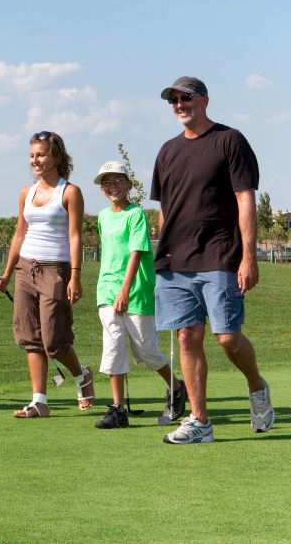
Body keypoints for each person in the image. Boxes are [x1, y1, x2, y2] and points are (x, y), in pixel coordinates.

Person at [152, 76, 274, 444]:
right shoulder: (167, 151)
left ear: (204, 100)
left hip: (220, 254)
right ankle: (200, 422)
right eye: (173, 100)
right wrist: (163, 249)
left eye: (186, 97)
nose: (179, 105)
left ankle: (256, 385)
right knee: (187, 337)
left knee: (227, 337)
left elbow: (244, 199)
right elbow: (165, 208)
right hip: (175, 261)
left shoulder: (229, 140)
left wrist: (248, 256)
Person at [0, 131, 95, 418]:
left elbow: (75, 236)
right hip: (25, 269)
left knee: (54, 340)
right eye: (32, 155)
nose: (35, 161)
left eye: (41, 155)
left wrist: (75, 275)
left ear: (56, 157)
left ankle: (81, 375)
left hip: (56, 269)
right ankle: (39, 401)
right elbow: (19, 234)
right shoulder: (26, 193)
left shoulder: (70, 192)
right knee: (30, 336)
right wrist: (6, 273)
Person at [91, 160, 186, 429]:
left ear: (129, 184)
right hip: (107, 290)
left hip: (136, 291)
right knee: (113, 346)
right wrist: (113, 290)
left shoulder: (136, 215)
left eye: (118, 181)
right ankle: (117, 410)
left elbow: (136, 253)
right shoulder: (102, 217)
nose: (112, 186)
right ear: (101, 189)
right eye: (107, 182)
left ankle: (176, 387)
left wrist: (125, 290)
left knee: (146, 350)